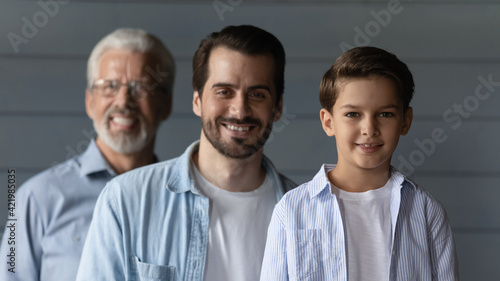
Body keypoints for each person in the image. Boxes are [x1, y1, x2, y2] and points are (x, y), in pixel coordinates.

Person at [76, 25, 295, 281]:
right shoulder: (125, 200)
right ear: (197, 101)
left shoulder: (304, 214)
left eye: (257, 94)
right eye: (224, 92)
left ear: (277, 106)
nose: (239, 110)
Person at [260, 46, 460, 281]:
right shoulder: (291, 210)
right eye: (353, 114)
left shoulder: (427, 212)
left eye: (385, 114)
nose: (369, 129)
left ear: (405, 121)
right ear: (328, 122)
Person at [0, 28, 175, 281]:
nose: (123, 101)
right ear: (90, 101)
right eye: (110, 86)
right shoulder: (33, 199)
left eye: (141, 87)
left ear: (166, 105)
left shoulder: (181, 200)